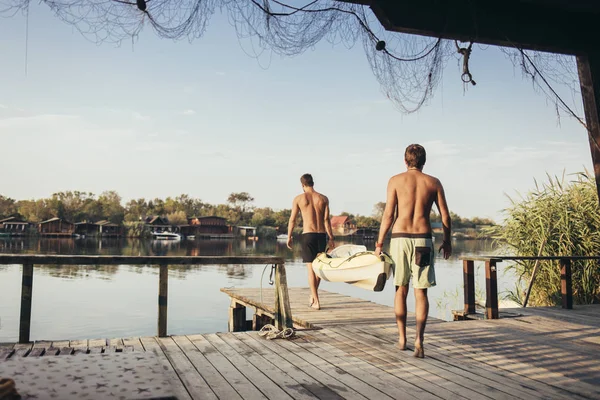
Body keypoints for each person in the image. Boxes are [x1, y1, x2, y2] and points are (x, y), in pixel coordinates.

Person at [374, 144, 452, 358]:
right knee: (421, 291)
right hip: (423, 239)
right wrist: (447, 241)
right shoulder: (433, 182)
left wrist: (379, 243)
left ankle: (401, 339)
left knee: (400, 289)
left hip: (400, 238)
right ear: (424, 161)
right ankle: (419, 340)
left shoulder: (395, 181)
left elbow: (388, 215)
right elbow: (445, 216)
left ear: (405, 160)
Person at [287, 173, 335, 310]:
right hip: (321, 235)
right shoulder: (323, 198)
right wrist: (331, 237)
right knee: (318, 268)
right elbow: (326, 220)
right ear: (313, 183)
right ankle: (313, 295)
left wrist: (289, 236)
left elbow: (292, 219)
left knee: (310, 270)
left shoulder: (299, 199)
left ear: (302, 185)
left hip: (308, 235)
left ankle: (316, 301)